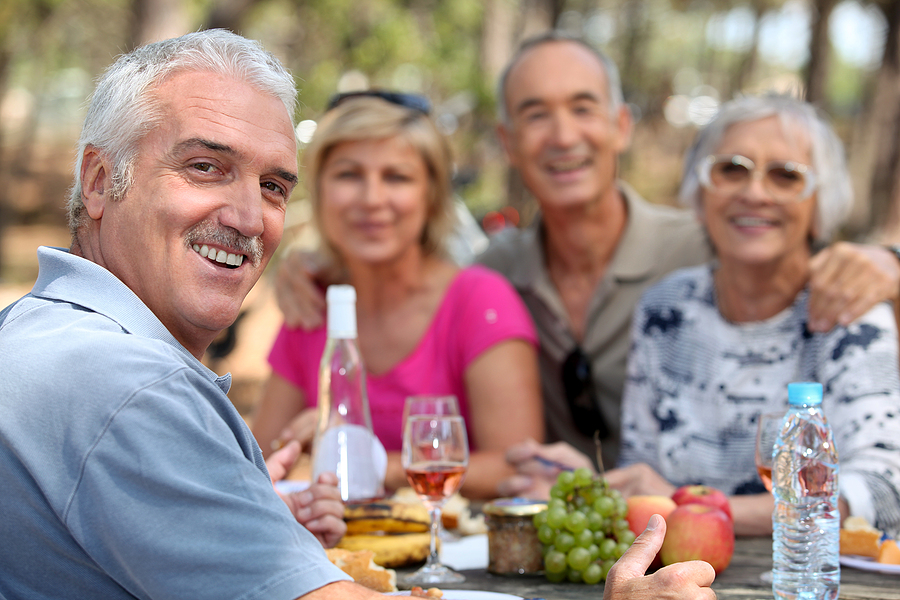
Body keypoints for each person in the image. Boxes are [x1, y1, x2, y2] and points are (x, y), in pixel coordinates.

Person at [276, 31, 900, 491]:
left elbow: (805, 258)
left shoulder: (707, 243)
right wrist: (305, 270)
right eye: (535, 114)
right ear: (509, 144)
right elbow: (406, 269)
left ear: (622, 125)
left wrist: (889, 260)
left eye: (582, 108)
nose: (564, 135)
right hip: (583, 524)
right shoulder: (497, 268)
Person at [0, 29, 378, 600]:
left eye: (273, 186)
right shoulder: (129, 384)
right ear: (100, 182)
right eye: (205, 167)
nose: (251, 218)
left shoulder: (33, 327)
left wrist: (248, 522)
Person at [611, 94, 900, 538]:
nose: (754, 193)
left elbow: (883, 493)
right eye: (731, 169)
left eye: (786, 176)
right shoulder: (664, 309)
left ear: (820, 205)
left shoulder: (850, 312)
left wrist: (703, 510)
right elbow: (640, 470)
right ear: (699, 191)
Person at [252, 93, 544, 499]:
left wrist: (367, 458)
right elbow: (258, 463)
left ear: (431, 196)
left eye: (397, 177)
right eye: (349, 175)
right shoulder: (315, 303)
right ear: (319, 192)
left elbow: (517, 468)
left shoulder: (479, 301)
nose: (372, 199)